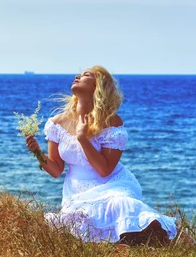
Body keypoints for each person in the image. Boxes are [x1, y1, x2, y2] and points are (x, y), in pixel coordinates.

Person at [25, 65, 179, 246]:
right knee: (80, 226)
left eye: (86, 75)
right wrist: (37, 152)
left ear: (97, 86)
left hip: (112, 183)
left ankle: (173, 237)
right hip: (76, 191)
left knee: (121, 204)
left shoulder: (111, 122)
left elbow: (104, 170)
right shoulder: (57, 123)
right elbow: (56, 170)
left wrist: (83, 139)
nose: (77, 76)